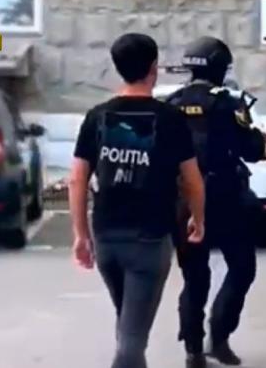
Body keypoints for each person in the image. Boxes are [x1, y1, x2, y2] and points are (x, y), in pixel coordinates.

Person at [68, 33, 206, 368]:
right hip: (149, 239)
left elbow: (77, 179)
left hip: (107, 237)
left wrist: (81, 234)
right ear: (154, 68)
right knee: (132, 339)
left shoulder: (97, 117)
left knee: (128, 323)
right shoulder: (169, 119)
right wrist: (198, 219)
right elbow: (191, 179)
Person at [167, 36, 266, 368]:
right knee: (242, 267)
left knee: (194, 277)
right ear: (220, 68)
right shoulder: (228, 103)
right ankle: (220, 335)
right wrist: (262, 138)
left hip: (183, 201)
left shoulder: (171, 103)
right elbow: (254, 150)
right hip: (225, 198)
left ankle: (193, 351)